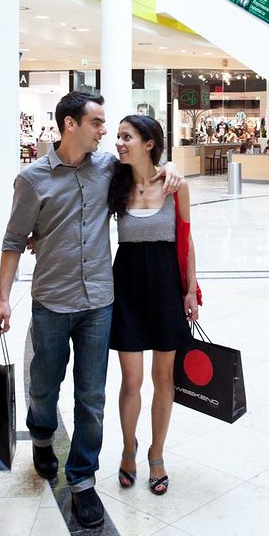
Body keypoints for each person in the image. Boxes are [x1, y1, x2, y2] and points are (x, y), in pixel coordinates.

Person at [0, 91, 183, 528]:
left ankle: (82, 478)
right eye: (97, 123)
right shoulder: (32, 179)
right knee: (44, 386)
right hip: (52, 300)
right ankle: (42, 435)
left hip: (99, 301)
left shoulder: (108, 169)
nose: (105, 132)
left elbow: (148, 165)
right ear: (70, 124)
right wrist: (3, 299)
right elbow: (12, 241)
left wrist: (171, 166)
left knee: (91, 396)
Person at [109, 116, 198, 496]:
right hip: (126, 286)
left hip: (165, 287)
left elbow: (186, 239)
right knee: (131, 380)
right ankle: (128, 448)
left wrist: (190, 291)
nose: (118, 142)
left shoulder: (176, 185)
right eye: (117, 136)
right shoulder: (115, 183)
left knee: (165, 379)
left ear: (149, 143)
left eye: (126, 136)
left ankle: (156, 453)